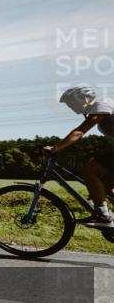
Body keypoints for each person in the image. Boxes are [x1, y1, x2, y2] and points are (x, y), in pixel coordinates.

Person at [43, 85, 114, 226]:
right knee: (104, 186)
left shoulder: (101, 105)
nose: (70, 106)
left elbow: (80, 132)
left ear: (86, 98)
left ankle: (103, 216)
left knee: (89, 170)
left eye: (72, 102)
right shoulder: (98, 109)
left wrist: (56, 148)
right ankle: (106, 220)